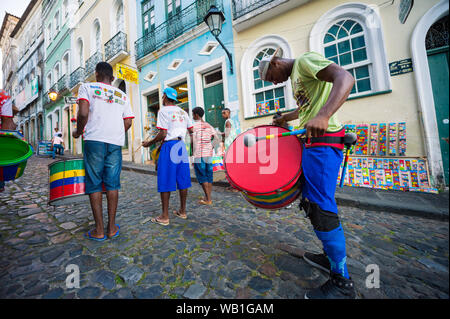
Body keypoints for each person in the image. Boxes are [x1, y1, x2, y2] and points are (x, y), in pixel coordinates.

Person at [259, 48, 356, 299]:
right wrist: (286, 118)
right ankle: (330, 257)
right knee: (311, 203)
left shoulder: (304, 62)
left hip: (325, 143)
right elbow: (306, 111)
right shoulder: (296, 78)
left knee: (322, 207)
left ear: (276, 62)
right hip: (312, 143)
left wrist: (324, 115)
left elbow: (345, 77)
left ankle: (342, 282)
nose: (275, 82)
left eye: (272, 77)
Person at [73, 62, 134, 241]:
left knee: (94, 183)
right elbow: (128, 122)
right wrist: (114, 132)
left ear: (97, 74)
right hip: (115, 143)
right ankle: (111, 228)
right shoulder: (121, 95)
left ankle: (99, 230)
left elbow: (83, 113)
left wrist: (78, 131)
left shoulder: (87, 87)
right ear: (112, 78)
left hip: (94, 141)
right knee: (113, 183)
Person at [142, 87, 193, 226]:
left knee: (165, 178)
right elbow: (191, 129)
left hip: (170, 146)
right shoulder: (183, 112)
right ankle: (182, 211)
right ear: (174, 99)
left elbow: (163, 133)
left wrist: (150, 143)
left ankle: (165, 216)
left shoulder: (163, 111)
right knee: (182, 179)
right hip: (181, 146)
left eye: (162, 96)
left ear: (164, 96)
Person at [191, 106, 221, 205]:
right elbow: (217, 138)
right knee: (209, 176)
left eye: (193, 114)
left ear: (196, 114)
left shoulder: (193, 127)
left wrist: (192, 155)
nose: (192, 116)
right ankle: (208, 197)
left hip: (199, 155)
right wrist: (210, 146)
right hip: (208, 154)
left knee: (202, 176)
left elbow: (192, 141)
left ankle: (208, 199)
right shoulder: (209, 125)